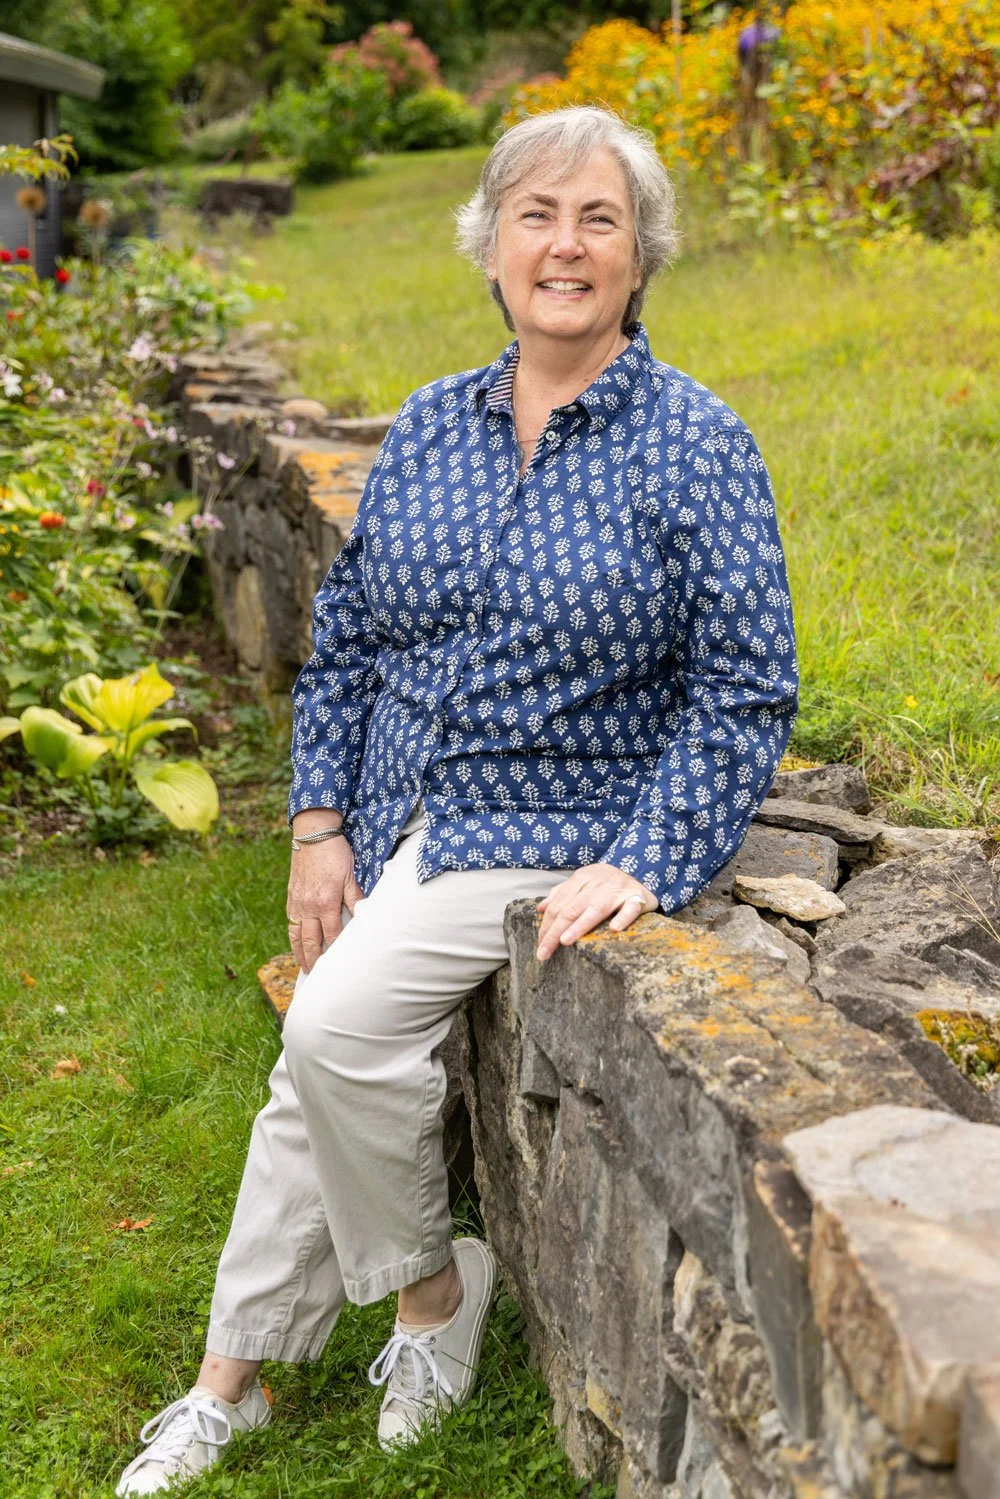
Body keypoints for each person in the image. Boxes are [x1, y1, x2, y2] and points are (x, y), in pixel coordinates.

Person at [116, 103, 798, 1494]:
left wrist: (651, 855)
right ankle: (228, 1380)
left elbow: (744, 688)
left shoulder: (696, 444)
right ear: (490, 244)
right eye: (535, 215)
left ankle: (435, 1297)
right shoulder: (430, 424)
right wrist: (321, 824)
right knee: (305, 1085)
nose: (564, 244)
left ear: (641, 253)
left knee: (339, 1026)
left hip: (547, 819)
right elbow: (353, 637)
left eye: (597, 219)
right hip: (398, 813)